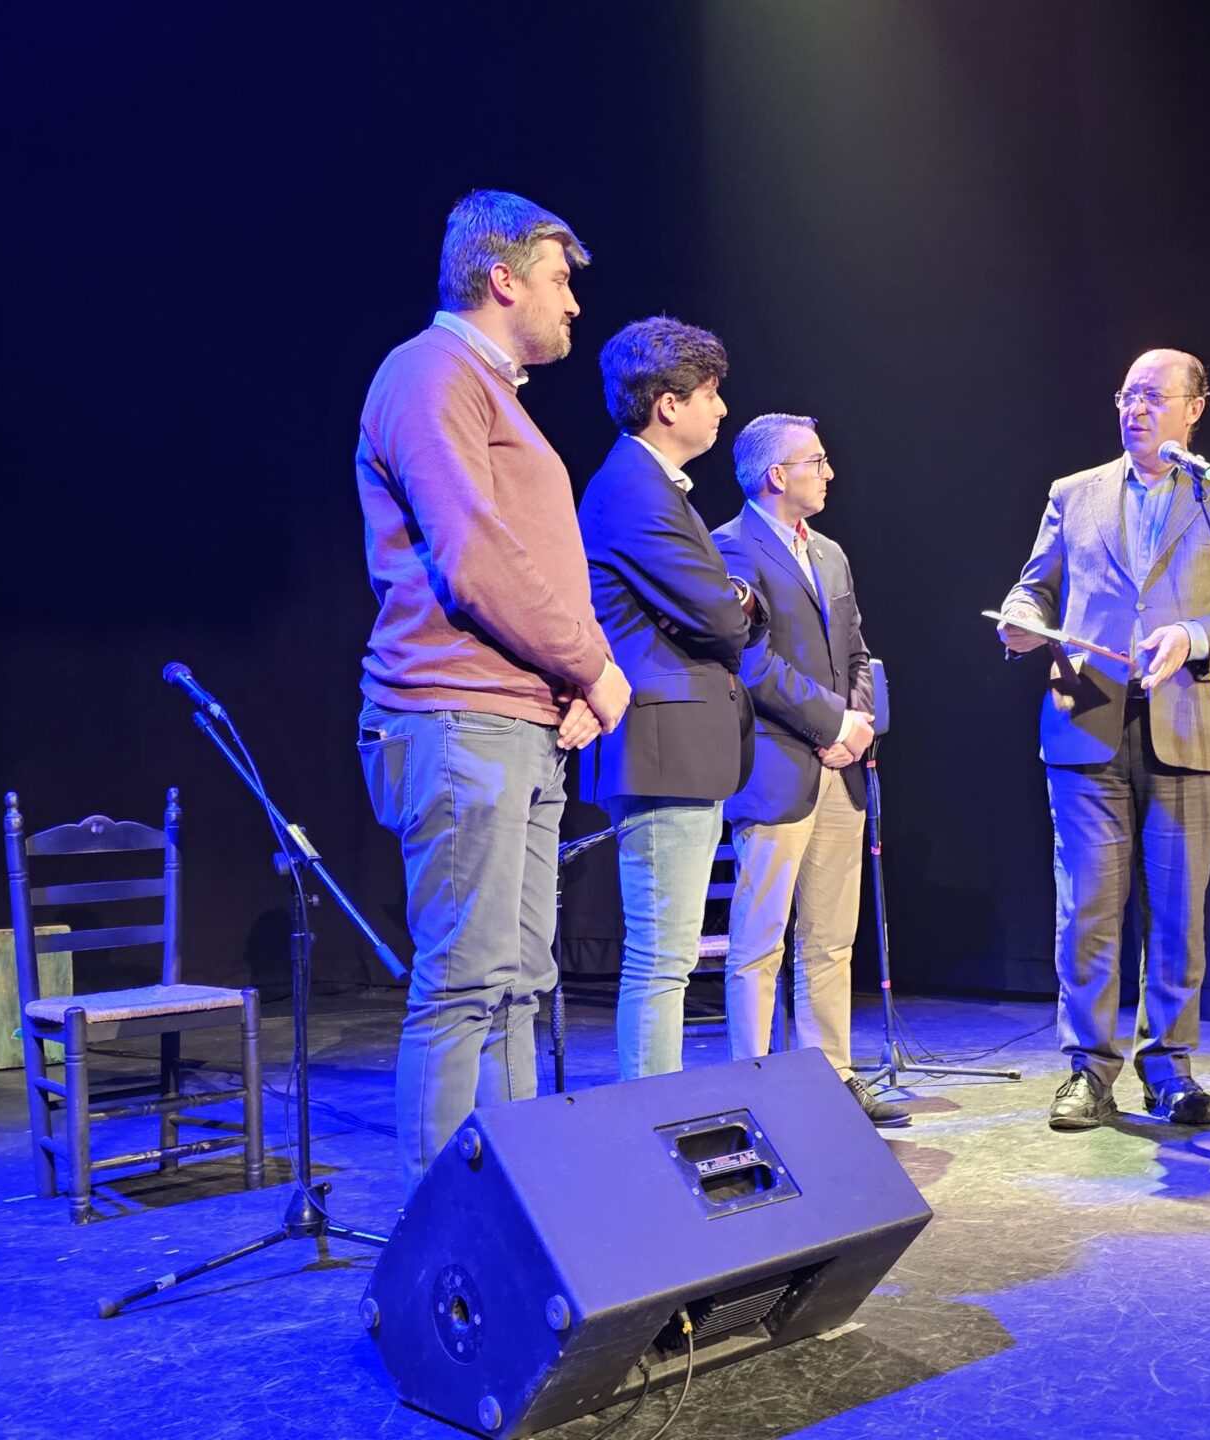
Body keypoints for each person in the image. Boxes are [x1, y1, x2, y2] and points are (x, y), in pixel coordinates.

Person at [353, 190, 631, 1198]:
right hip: (454, 713)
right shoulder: (429, 373)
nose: (574, 305)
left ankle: (518, 1207)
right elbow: (475, 560)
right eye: (561, 281)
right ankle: (444, 1232)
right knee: (467, 981)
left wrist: (578, 678)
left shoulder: (494, 393)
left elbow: (537, 564)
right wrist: (596, 668)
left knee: (521, 983)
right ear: (502, 277)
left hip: (515, 718)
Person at [995, 348, 1210, 1130]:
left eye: (1154, 396)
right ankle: (1089, 1070)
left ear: (1196, 408)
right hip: (1085, 720)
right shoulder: (1074, 493)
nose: (1135, 409)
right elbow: (1035, 583)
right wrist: (1022, 617)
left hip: (1186, 722)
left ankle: (1171, 1070)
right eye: (1126, 395)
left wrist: (1193, 636)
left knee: (1178, 913)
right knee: (1087, 906)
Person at [577, 317, 767, 1079]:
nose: (722, 411)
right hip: (659, 750)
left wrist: (734, 597)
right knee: (662, 959)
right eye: (712, 395)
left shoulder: (656, 488)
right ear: (668, 403)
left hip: (679, 748)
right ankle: (648, 1120)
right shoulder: (634, 489)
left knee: (671, 956)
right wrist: (740, 599)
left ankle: (654, 1113)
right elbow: (723, 615)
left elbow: (720, 606)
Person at [712, 414, 908, 1127]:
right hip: (776, 767)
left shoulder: (829, 553)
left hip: (841, 768)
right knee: (760, 940)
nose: (829, 473)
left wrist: (854, 729)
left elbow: (856, 652)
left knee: (830, 937)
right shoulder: (730, 548)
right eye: (816, 461)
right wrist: (830, 725)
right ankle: (752, 1085)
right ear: (777, 475)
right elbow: (751, 660)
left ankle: (834, 1076)